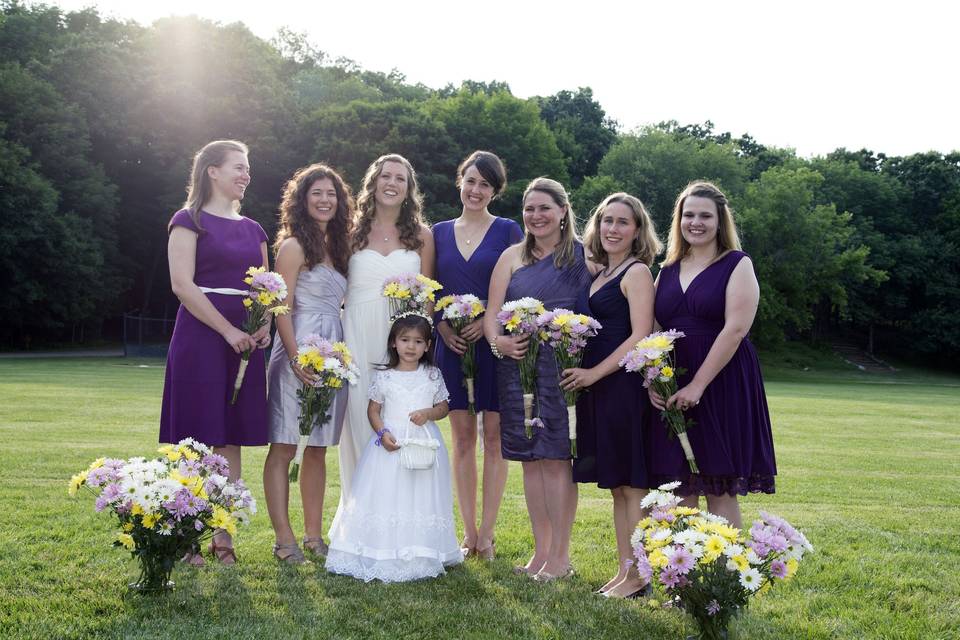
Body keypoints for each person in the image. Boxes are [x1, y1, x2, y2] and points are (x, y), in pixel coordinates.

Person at [159, 139, 270, 564]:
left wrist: (260, 326)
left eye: (248, 168)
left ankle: (223, 537)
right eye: (238, 167)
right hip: (202, 336)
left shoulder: (255, 230)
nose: (246, 174)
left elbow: (266, 287)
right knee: (194, 438)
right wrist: (226, 330)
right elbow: (182, 285)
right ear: (212, 171)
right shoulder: (187, 221)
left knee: (230, 438)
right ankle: (187, 537)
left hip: (245, 340)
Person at [647, 181, 776, 528]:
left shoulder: (737, 263)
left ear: (721, 221)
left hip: (722, 380)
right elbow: (653, 327)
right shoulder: (667, 268)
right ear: (679, 220)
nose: (696, 222)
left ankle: (724, 574)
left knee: (719, 483)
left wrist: (699, 385)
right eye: (689, 215)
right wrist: (654, 381)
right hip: (675, 380)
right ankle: (685, 575)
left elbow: (735, 329)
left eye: (706, 215)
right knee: (679, 481)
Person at [484, 177, 590, 582]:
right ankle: (541, 552)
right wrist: (501, 346)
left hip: (562, 370)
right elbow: (493, 319)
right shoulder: (511, 257)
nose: (536, 216)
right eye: (529, 209)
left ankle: (561, 557)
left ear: (563, 210)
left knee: (557, 461)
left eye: (544, 207)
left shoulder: (585, 257)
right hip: (518, 368)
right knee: (530, 462)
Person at [562, 193, 660, 598]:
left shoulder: (636, 272)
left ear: (637, 230)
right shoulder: (602, 272)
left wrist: (593, 374)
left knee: (632, 485)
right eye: (606, 221)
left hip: (622, 384)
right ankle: (627, 571)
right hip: (598, 386)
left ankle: (640, 575)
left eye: (622, 222)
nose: (613, 229)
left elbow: (641, 335)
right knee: (618, 486)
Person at [263, 164, 355, 564]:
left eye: (331, 194)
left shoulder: (343, 247)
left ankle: (314, 535)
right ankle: (285, 539)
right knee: (284, 445)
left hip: (334, 351)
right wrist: (296, 354)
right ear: (302, 200)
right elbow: (279, 304)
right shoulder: (293, 246)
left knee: (318, 447)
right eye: (316, 193)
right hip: (295, 347)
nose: (324, 200)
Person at [432, 151, 523, 560]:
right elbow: (427, 290)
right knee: (463, 438)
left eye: (485, 184)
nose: (476, 190)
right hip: (451, 346)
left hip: (493, 347)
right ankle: (467, 532)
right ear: (459, 181)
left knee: (494, 438)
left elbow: (519, 285)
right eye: (470, 180)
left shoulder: (507, 230)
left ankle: (487, 534)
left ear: (495, 191)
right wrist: (444, 326)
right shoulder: (436, 232)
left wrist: (486, 314)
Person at [326, 314, 463, 582]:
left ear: (427, 346)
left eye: (418, 341)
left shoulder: (432, 374)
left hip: (423, 443)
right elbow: (373, 410)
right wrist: (382, 432)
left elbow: (444, 407)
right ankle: (383, 546)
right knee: (389, 492)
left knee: (421, 494)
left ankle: (424, 547)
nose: (411, 347)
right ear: (393, 343)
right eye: (405, 340)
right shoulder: (384, 376)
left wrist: (429, 413)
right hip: (390, 444)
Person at [339, 154, 435, 501]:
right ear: (373, 183)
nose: (392, 183)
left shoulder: (422, 235)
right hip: (357, 334)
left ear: (409, 189)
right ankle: (357, 510)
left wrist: (418, 349)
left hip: (402, 339)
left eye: (400, 178)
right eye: (385, 176)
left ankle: (397, 510)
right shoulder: (350, 230)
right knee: (358, 414)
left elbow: (428, 296)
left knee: (396, 417)